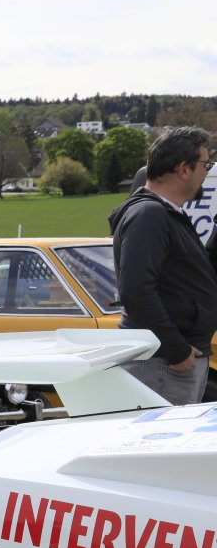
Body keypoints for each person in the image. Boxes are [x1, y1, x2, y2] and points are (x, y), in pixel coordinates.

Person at [107, 126, 217, 405]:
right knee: (163, 433)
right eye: (205, 165)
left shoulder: (167, 214)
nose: (206, 173)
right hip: (163, 365)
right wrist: (176, 350)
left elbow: (194, 276)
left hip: (173, 362)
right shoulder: (150, 215)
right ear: (183, 169)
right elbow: (136, 291)